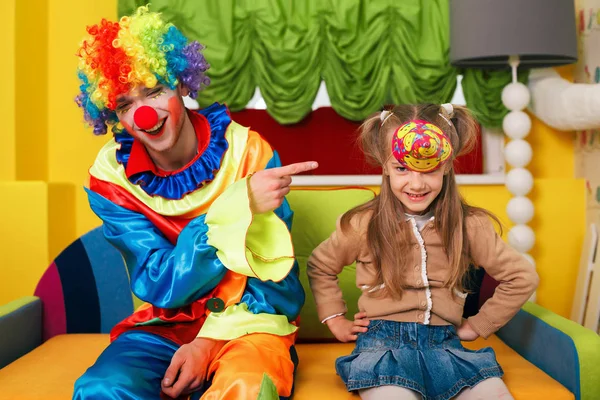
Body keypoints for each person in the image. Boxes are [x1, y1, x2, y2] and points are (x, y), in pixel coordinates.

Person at [73, 6, 316, 399]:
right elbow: (159, 281)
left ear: (182, 86)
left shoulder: (249, 153)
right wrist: (234, 208)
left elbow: (275, 280)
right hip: (165, 327)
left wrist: (208, 343)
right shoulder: (111, 178)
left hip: (249, 326)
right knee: (102, 389)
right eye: (125, 104)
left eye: (154, 90)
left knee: (249, 388)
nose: (144, 114)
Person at [306, 103, 539, 400]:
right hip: (382, 349)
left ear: (446, 165)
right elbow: (321, 265)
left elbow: (522, 277)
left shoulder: (470, 226)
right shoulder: (363, 224)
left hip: (446, 346)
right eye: (402, 168)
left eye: (428, 169)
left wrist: (478, 325)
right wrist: (335, 318)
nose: (416, 183)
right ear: (385, 167)